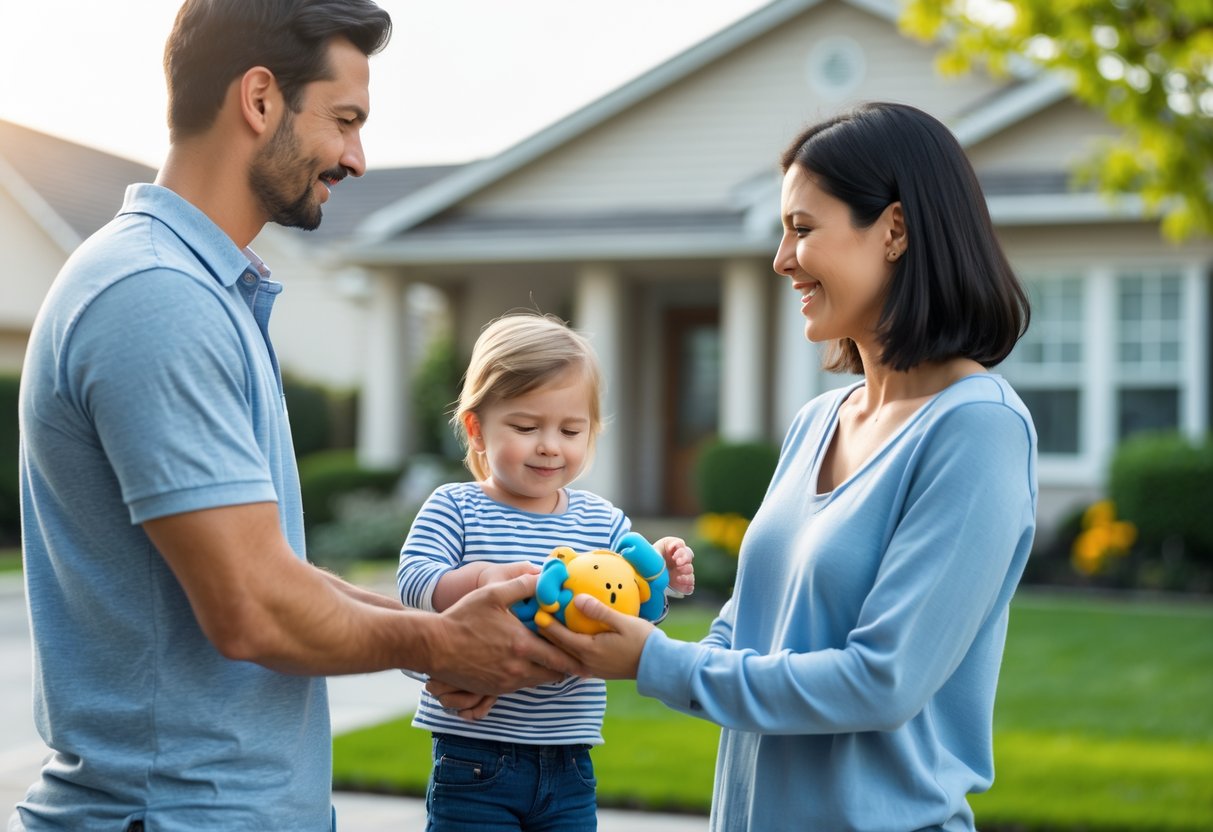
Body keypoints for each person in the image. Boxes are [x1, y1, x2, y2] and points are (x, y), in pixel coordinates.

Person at [14, 3, 581, 831]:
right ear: (258, 100)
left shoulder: (199, 291)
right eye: (344, 121)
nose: (357, 157)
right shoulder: (155, 296)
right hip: (174, 812)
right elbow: (251, 607)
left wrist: (433, 624)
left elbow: (271, 568)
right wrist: (438, 646)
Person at [527, 102, 1039, 831]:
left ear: (893, 229)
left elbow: (881, 682)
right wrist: (601, 627)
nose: (781, 258)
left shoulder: (977, 429)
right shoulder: (816, 421)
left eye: (802, 229)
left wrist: (656, 663)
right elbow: (745, 633)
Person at [396, 312, 696, 832]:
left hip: (569, 760)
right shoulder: (457, 507)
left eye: (570, 429)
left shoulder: (602, 521)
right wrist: (481, 579)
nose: (550, 445)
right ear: (477, 429)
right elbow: (414, 583)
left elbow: (628, 608)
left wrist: (662, 580)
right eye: (526, 426)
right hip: (474, 755)